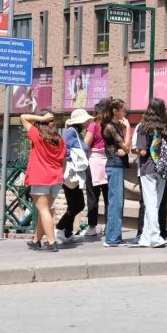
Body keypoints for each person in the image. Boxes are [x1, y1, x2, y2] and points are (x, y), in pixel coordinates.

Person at [21, 111, 66, 252]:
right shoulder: (60, 139)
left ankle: (52, 242)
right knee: (44, 210)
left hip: (40, 177)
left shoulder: (37, 135)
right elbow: (63, 161)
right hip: (56, 178)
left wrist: (41, 118)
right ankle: (36, 240)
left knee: (44, 210)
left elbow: (23, 117)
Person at [132, 98, 167, 248]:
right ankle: (146, 237)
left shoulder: (144, 127)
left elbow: (142, 151)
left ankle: (154, 236)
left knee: (150, 203)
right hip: (162, 168)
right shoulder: (166, 127)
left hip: (148, 168)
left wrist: (134, 150)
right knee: (156, 202)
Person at [56, 109, 92, 243]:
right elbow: (63, 149)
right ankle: (60, 228)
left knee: (75, 205)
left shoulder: (76, 133)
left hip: (73, 173)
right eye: (86, 120)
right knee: (78, 205)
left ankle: (67, 232)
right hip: (70, 172)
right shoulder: (71, 132)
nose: (88, 122)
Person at [100, 97, 131, 247]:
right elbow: (126, 147)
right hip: (114, 165)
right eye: (123, 110)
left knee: (118, 202)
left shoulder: (114, 125)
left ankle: (115, 237)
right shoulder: (110, 126)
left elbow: (124, 149)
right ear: (115, 111)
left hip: (117, 165)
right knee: (115, 202)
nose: (125, 112)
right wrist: (128, 128)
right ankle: (112, 238)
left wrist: (124, 149)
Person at [82, 98, 109, 237]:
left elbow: (86, 144)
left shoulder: (94, 125)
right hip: (109, 163)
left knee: (93, 196)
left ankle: (92, 227)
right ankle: (109, 225)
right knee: (108, 196)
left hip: (94, 163)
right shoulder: (113, 125)